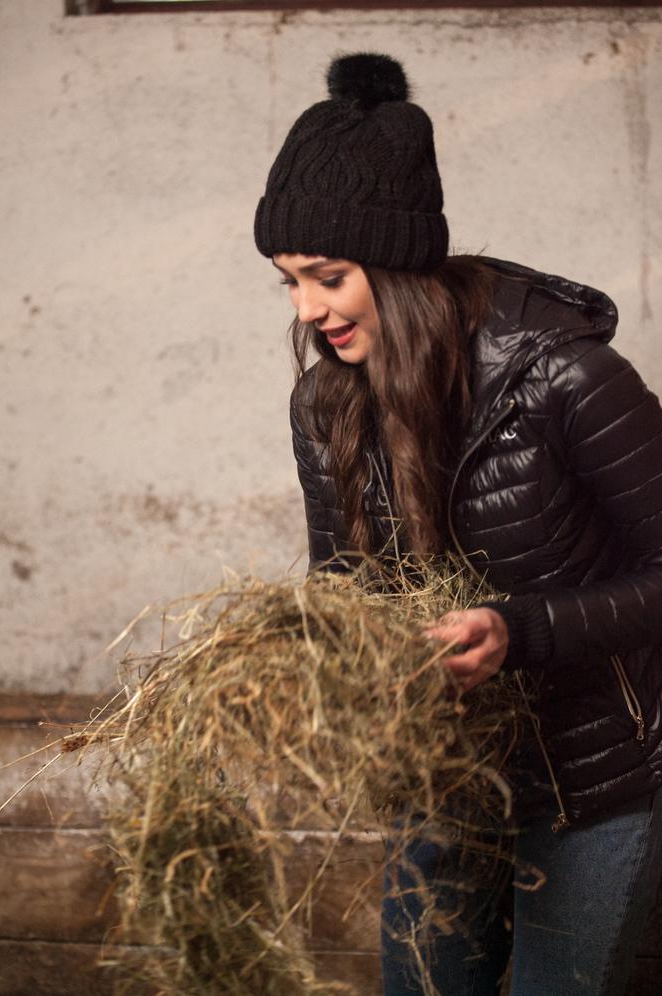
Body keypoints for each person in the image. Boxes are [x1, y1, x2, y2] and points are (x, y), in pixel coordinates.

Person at [253, 52, 662, 996]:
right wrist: (316, 659)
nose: (310, 311)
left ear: (394, 266)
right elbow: (343, 583)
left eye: (328, 277)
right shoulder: (326, 403)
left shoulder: (567, 378)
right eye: (288, 282)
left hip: (592, 783)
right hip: (441, 775)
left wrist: (520, 632)